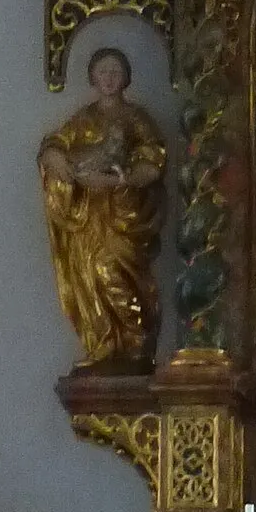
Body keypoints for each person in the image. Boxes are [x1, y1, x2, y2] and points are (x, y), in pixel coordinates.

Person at [37, 45, 166, 371]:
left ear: (125, 79)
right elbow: (56, 145)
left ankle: (136, 343)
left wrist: (126, 179)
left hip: (124, 213)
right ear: (93, 78)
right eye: (103, 72)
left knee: (113, 271)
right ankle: (106, 344)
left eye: (115, 72)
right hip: (91, 215)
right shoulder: (84, 119)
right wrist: (54, 156)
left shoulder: (136, 118)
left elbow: (153, 157)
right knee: (90, 274)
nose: (109, 78)